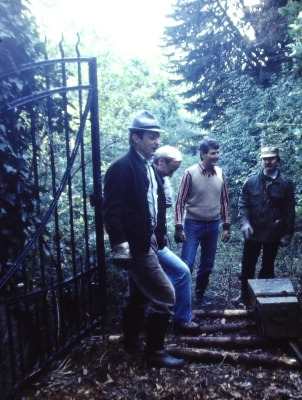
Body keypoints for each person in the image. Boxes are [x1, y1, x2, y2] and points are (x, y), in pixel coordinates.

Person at [103, 110, 184, 368]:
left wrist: (159, 236)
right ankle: (155, 353)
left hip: (148, 241)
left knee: (137, 296)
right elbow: (111, 212)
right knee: (165, 294)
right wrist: (121, 248)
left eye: (157, 136)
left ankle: (131, 343)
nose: (156, 142)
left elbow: (155, 204)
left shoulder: (148, 166)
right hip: (136, 247)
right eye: (151, 137)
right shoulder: (121, 167)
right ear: (135, 138)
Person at [234, 146, 296, 304]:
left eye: (271, 158)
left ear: (278, 160)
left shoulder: (285, 184)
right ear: (261, 160)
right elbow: (243, 203)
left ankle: (262, 298)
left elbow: (289, 210)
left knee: (267, 267)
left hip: (273, 233)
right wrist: (245, 222)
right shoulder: (252, 180)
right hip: (253, 232)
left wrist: (288, 233)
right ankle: (245, 296)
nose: (267, 162)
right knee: (247, 266)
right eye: (264, 159)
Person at [174, 138, 231, 307]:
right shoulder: (190, 173)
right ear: (203, 154)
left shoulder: (221, 174)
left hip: (213, 225)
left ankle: (199, 296)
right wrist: (178, 226)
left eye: (218, 153)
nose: (216, 156)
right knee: (187, 264)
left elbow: (224, 201)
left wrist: (226, 225)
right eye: (213, 153)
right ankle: (182, 299)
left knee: (207, 264)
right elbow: (180, 202)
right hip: (193, 224)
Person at [152, 145, 199, 331]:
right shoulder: (144, 177)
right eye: (171, 170)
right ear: (160, 161)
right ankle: (150, 324)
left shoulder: (160, 179)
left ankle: (180, 318)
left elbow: (169, 202)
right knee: (146, 286)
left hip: (158, 242)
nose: (172, 175)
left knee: (181, 272)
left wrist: (164, 181)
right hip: (144, 244)